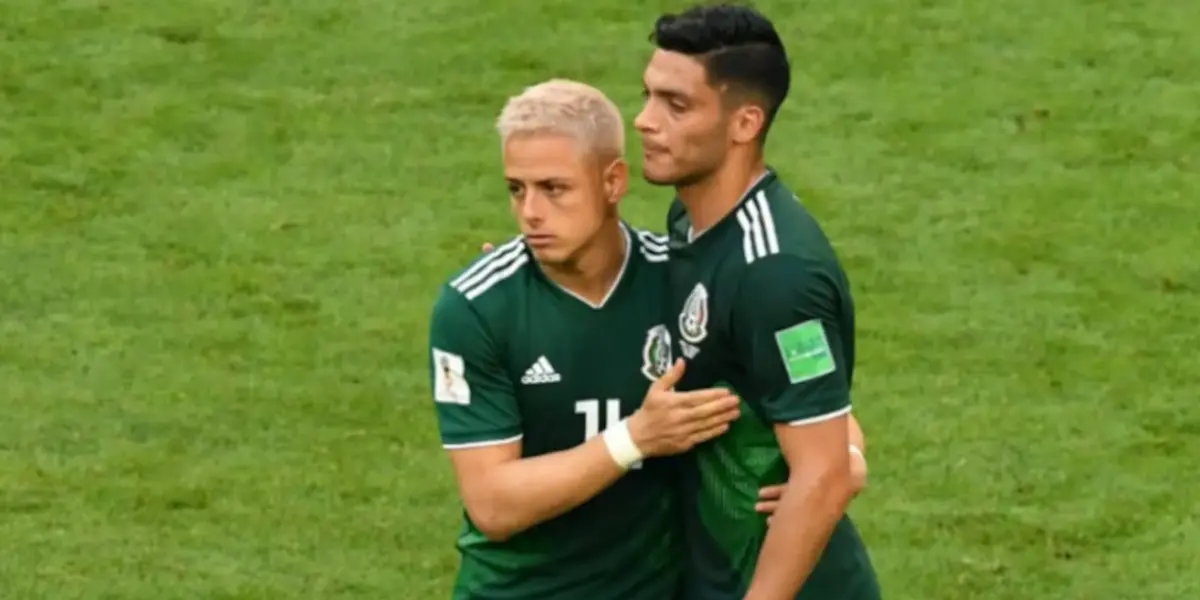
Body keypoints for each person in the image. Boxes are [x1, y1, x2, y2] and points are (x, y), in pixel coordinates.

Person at [426, 79, 744, 600]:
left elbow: (807, 414)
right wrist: (636, 437)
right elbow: (492, 505)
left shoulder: (685, 282)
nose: (530, 212)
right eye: (516, 188)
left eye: (554, 188)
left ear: (613, 181)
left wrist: (843, 452)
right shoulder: (476, 308)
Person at [634, 3, 883, 599]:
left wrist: (836, 456)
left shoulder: (776, 273)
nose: (643, 121)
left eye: (676, 105)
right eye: (647, 95)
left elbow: (822, 476)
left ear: (745, 123)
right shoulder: (691, 218)